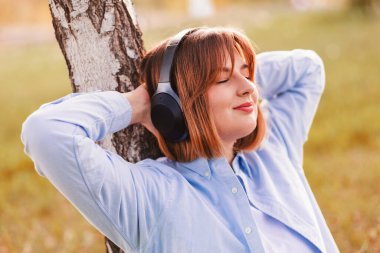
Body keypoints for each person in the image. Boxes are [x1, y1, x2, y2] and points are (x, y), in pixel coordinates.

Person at [21, 27, 339, 252]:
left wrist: (219, 57)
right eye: (223, 79)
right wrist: (144, 103)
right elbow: (47, 132)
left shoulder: (274, 147)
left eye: (248, 73)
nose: (249, 88)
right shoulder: (149, 197)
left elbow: (307, 69)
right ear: (173, 106)